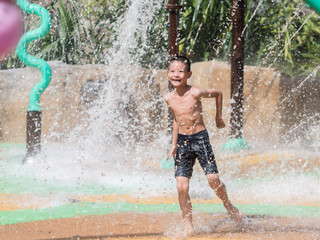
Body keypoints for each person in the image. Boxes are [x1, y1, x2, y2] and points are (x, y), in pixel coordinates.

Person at [164, 56, 243, 236]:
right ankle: (188, 224)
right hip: (183, 143)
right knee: (181, 186)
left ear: (188, 74)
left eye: (181, 71)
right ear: (168, 73)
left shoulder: (195, 93)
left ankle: (228, 205)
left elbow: (218, 93)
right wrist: (174, 144)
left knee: (213, 179)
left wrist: (218, 118)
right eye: (172, 71)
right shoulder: (168, 98)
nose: (176, 74)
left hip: (200, 138)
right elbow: (177, 119)